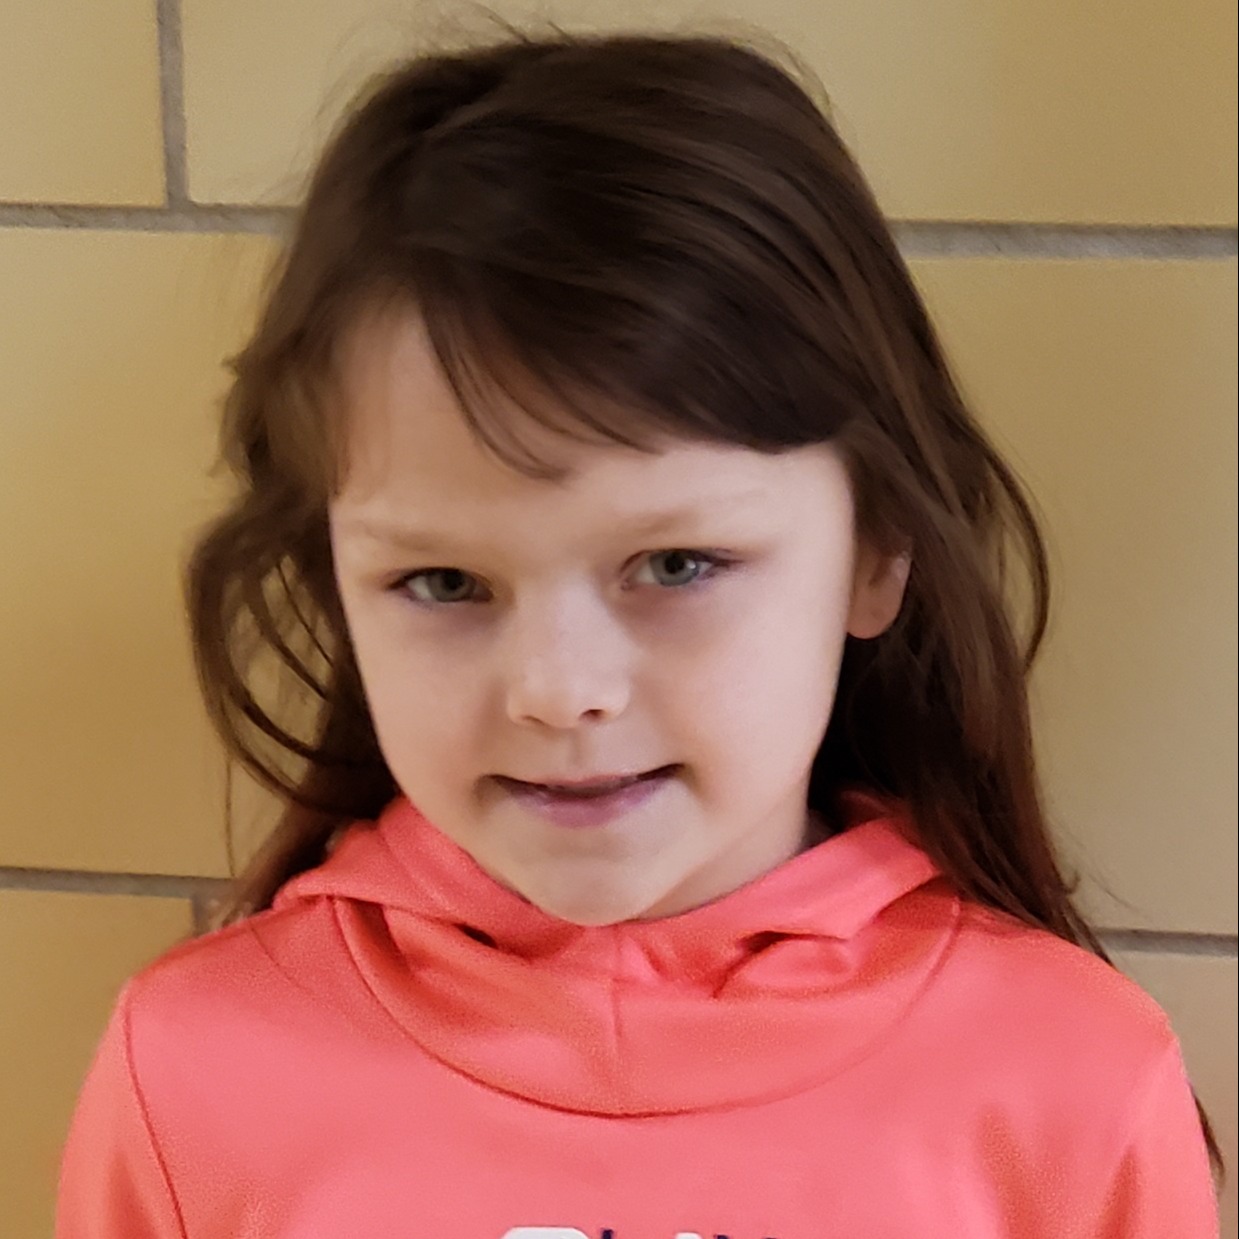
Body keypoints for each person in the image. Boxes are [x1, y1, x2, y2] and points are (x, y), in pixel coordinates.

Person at [56, 27, 1224, 1238]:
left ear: (879, 550)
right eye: (446, 584)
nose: (560, 693)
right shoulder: (194, 1076)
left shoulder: (1067, 1081)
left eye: (676, 565)